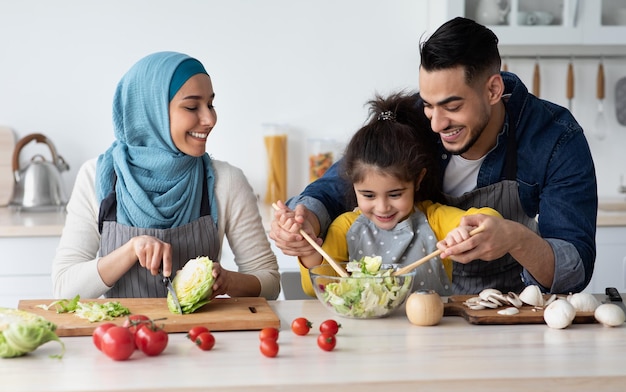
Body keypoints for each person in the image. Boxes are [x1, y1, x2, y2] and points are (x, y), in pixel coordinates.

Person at [270, 17, 597, 295]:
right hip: (416, 310)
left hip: (503, 312)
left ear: (493, 90)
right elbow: (340, 183)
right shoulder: (408, 119)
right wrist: (304, 223)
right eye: (428, 104)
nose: (437, 123)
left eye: (453, 107)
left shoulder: (555, 137)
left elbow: (576, 268)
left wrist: (515, 238)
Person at [52, 51, 280, 300]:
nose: (210, 119)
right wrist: (130, 250)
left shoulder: (227, 182)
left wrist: (229, 281)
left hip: (203, 336)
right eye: (192, 106)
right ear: (151, 111)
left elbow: (268, 281)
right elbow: (65, 288)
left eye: (211, 104)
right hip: (123, 337)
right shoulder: (97, 177)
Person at [274, 92, 501, 297]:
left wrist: (466, 231)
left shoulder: (434, 219)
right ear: (353, 185)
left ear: (418, 180)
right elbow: (316, 285)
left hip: (432, 335)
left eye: (394, 194)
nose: (382, 207)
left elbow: (488, 219)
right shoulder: (345, 228)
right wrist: (306, 248)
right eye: (368, 195)